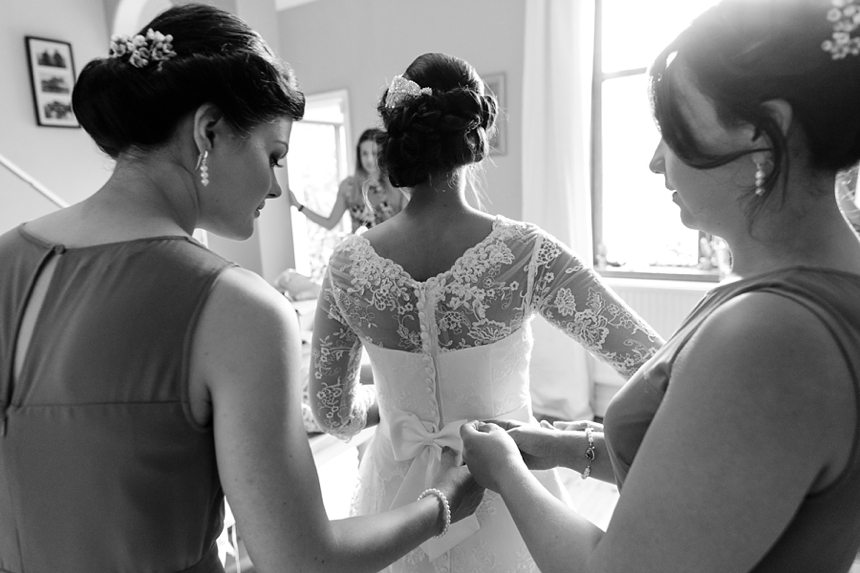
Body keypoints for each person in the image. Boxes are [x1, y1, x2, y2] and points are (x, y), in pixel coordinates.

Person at [0, 6, 484, 572]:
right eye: (273, 156)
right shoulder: (240, 310)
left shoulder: (6, 258)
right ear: (208, 132)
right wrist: (445, 501)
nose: (276, 188)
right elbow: (304, 560)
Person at [460, 0, 860, 571]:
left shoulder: (773, 336)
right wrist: (563, 446)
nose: (654, 162)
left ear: (765, 131)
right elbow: (714, 478)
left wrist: (504, 470)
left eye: (673, 131)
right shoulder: (799, 294)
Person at [308, 52, 663, 573]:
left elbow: (333, 414)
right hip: (508, 487)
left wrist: (386, 401)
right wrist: (577, 445)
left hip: (396, 504)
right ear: (476, 140)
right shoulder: (526, 254)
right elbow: (655, 366)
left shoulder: (346, 266)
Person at [289, 128, 407, 232]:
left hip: (391, 254)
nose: (369, 159)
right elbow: (330, 223)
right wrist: (299, 206)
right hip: (360, 255)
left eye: (374, 153)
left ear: (383, 155)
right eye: (364, 154)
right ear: (359, 156)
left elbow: (405, 226)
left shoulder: (397, 184)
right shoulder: (349, 186)